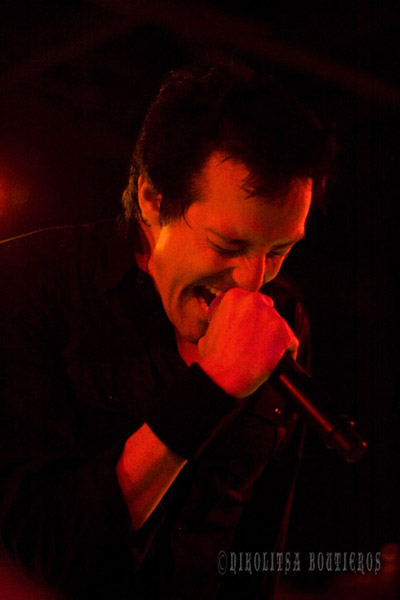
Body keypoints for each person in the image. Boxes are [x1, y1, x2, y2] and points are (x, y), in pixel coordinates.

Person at [0, 59, 334, 599]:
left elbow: (257, 551)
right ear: (153, 200)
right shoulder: (26, 287)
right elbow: (44, 554)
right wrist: (210, 390)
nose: (253, 281)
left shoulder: (282, 317)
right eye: (227, 245)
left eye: (278, 251)